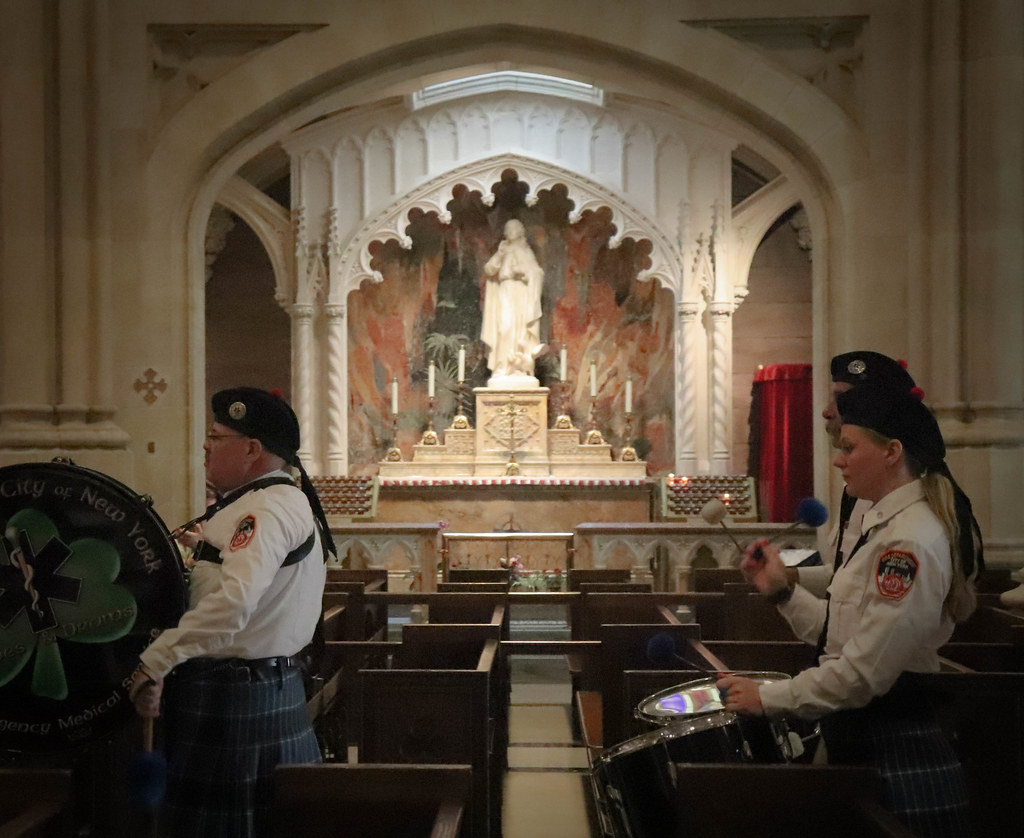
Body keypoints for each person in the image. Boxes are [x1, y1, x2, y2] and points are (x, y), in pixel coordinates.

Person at [719, 385, 982, 837]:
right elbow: (841, 635)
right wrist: (782, 592)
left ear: (891, 452)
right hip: (859, 744)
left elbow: (865, 671)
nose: (838, 459)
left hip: (895, 758)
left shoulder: (909, 541)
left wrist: (770, 697)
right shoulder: (881, 526)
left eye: (848, 447)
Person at [129, 387, 334, 837]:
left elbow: (235, 603)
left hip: (239, 699)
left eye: (215, 436)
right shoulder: (256, 505)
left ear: (251, 450)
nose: (205, 446)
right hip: (241, 690)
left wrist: (157, 659)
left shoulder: (266, 510)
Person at [793, 351, 922, 597]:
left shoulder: (907, 516)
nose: (827, 412)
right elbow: (846, 577)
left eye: (841, 400)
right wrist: (785, 580)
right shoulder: (862, 488)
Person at [480, 218, 544, 382]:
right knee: (505, 328)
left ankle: (520, 368)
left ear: (520, 231)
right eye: (507, 229)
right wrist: (500, 256)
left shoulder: (525, 250)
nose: (509, 232)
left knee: (521, 330)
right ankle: (502, 367)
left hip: (521, 293)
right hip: (506, 290)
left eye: (513, 228)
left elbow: (537, 273)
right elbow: (489, 269)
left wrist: (523, 271)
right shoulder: (503, 249)